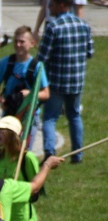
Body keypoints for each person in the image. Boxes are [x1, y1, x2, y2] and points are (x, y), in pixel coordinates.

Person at [38, 0, 93, 164]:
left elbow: (42, 58)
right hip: (76, 82)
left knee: (49, 118)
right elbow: (90, 52)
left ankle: (49, 153)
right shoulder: (84, 25)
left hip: (56, 82)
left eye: (52, 4)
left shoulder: (53, 27)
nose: (49, 7)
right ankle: (77, 155)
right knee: (74, 115)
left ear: (62, 4)